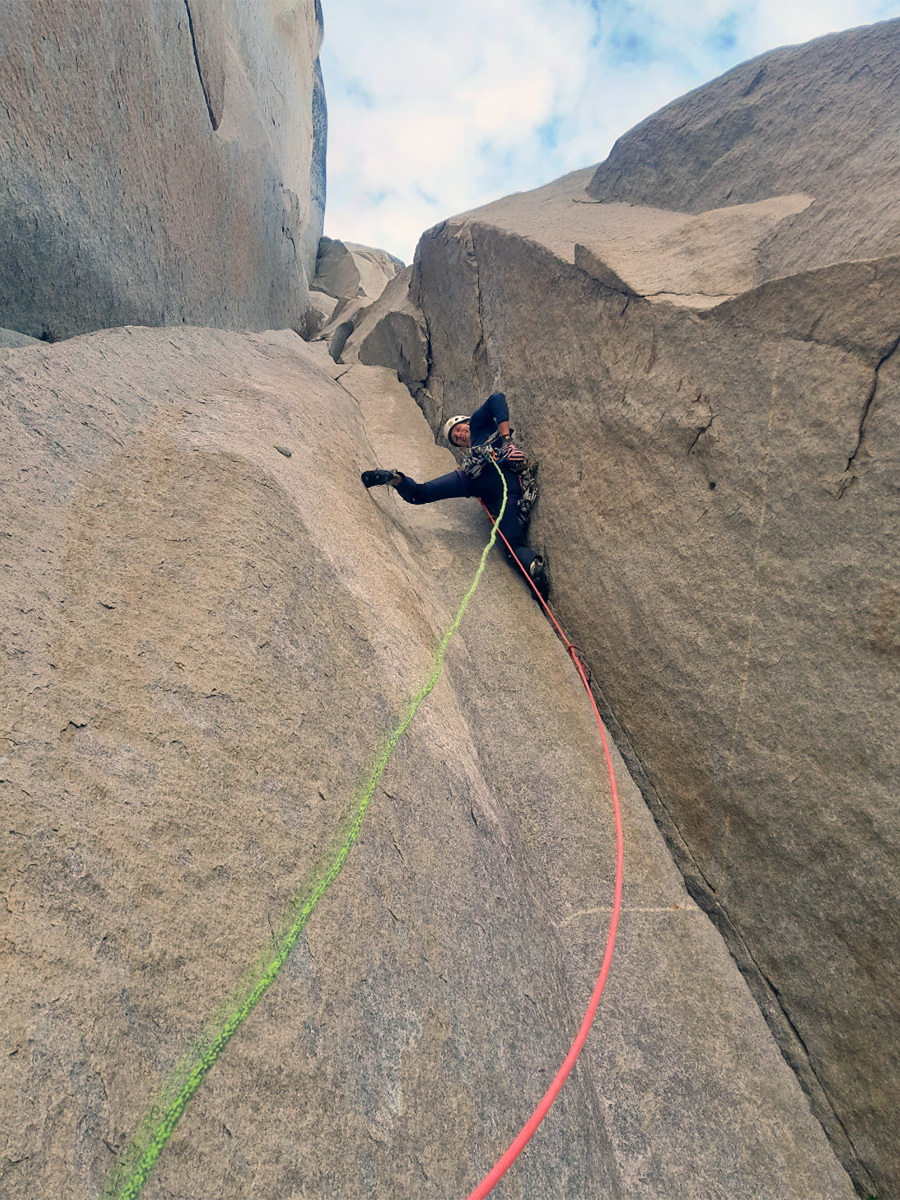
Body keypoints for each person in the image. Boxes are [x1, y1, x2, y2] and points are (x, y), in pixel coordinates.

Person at [361, 391, 548, 600]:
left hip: (494, 483)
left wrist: (506, 441)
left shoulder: (478, 424)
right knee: (421, 495)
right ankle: (394, 478)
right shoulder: (472, 452)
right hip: (486, 483)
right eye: (455, 438)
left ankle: (534, 570)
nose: (458, 435)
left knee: (513, 547)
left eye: (459, 429)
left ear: (468, 422)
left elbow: (497, 398)